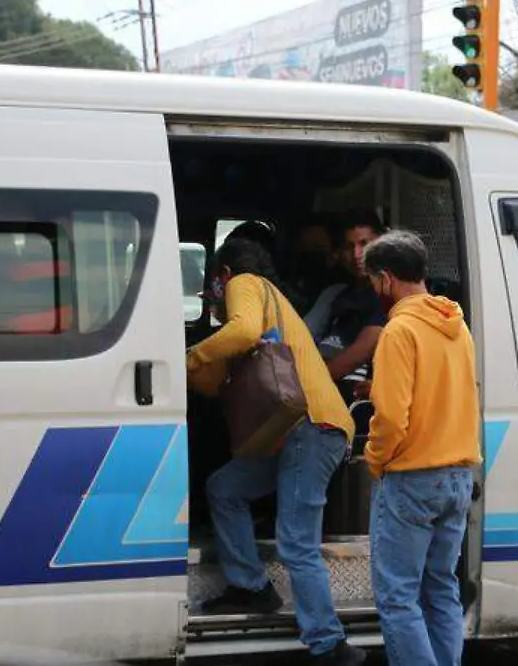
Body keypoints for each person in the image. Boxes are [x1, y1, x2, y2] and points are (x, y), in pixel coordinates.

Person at [185, 238, 367, 666]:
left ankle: (330, 644)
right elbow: (214, 383)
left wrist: (192, 353)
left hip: (314, 427)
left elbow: (244, 331)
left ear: (223, 273)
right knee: (224, 487)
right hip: (288, 433)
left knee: (296, 542)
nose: (214, 290)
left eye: (214, 282)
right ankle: (251, 586)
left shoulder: (244, 282)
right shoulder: (267, 304)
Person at [361, 230, 481, 666]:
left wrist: (374, 459)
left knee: (398, 598)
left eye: (374, 280)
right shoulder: (456, 325)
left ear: (387, 280)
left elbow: (392, 417)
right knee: (441, 589)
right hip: (458, 475)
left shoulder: (400, 330)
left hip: (412, 477)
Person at [307, 210, 388, 401]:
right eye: (348, 247)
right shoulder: (336, 294)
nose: (356, 255)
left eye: (364, 244)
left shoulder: (385, 295)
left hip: (343, 395)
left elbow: (357, 355)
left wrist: (307, 385)